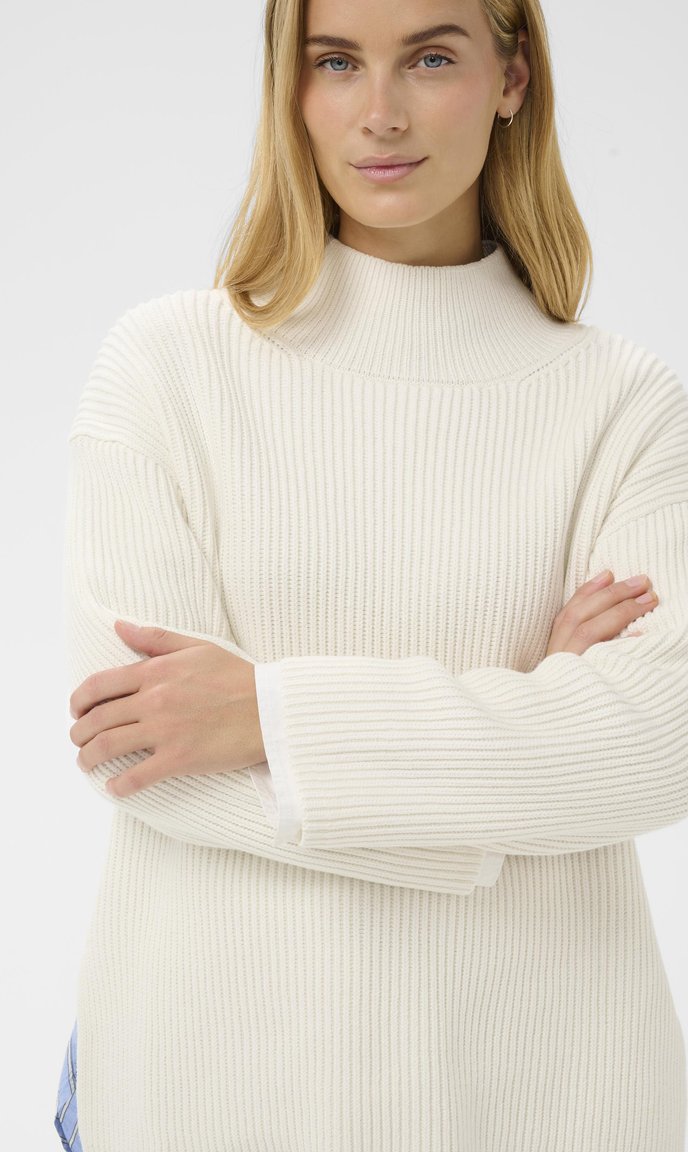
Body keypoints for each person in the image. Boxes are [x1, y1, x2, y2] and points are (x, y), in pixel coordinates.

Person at [55, 0, 688, 1147]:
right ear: (288, 87)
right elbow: (140, 749)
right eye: (336, 61)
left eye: (430, 58)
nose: (379, 113)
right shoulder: (167, 369)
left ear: (511, 77)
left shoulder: (622, 406)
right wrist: (527, 740)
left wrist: (267, 716)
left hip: (538, 1088)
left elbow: (656, 740)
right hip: (213, 1085)